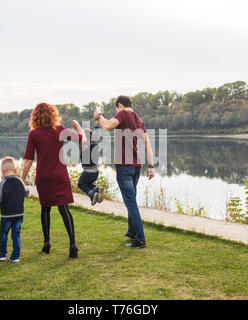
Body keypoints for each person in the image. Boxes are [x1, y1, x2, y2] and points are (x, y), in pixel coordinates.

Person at [21, 102, 86, 259]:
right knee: (64, 209)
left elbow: (28, 160)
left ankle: (47, 243)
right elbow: (82, 140)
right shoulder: (60, 130)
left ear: (35, 117)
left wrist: (21, 179)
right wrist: (78, 126)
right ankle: (73, 245)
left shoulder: (34, 134)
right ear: (53, 115)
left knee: (45, 209)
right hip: (60, 175)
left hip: (44, 176)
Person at [94, 95, 155, 249]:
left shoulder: (122, 113)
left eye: (116, 108)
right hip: (137, 166)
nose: (116, 112)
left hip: (125, 166)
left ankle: (140, 239)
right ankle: (132, 232)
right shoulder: (138, 119)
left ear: (120, 105)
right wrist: (151, 166)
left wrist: (99, 115)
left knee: (130, 202)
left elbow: (107, 126)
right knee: (131, 199)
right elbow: (147, 144)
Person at [0, 157, 29, 263]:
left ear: (2, 171)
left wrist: (1, 207)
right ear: (15, 170)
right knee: (16, 234)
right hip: (19, 213)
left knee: (3, 233)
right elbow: (26, 192)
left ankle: (2, 254)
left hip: (6, 214)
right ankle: (15, 256)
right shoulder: (20, 181)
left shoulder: (2, 184)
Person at [77, 116, 104, 205]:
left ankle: (92, 194)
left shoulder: (82, 146)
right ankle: (96, 189)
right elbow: (96, 131)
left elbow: (78, 137)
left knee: (81, 184)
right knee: (87, 184)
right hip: (95, 172)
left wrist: (77, 128)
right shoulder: (95, 143)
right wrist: (97, 122)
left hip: (87, 173)